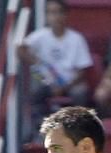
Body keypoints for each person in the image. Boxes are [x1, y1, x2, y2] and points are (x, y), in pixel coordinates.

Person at [19, 0, 93, 128]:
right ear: (47, 16)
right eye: (52, 13)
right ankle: (41, 129)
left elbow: (82, 71)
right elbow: (20, 49)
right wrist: (34, 61)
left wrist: (64, 87)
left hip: (71, 82)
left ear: (66, 15)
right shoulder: (40, 36)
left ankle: (77, 129)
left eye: (59, 12)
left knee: (80, 93)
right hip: (47, 80)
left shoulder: (76, 39)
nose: (56, 17)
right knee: (35, 91)